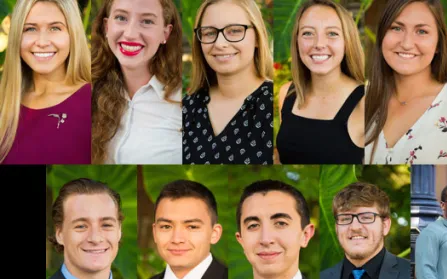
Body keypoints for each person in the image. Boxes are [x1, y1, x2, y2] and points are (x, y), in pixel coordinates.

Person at [365, 0, 447, 165]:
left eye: (421, 31)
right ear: (382, 36)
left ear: (438, 44)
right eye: (396, 28)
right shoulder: (359, 98)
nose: (406, 43)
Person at [91, 0, 182, 164]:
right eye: (121, 17)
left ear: (165, 33)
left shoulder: (186, 100)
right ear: (106, 27)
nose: (130, 33)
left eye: (147, 21)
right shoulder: (84, 92)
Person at [0, 0, 91, 164]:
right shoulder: (4, 103)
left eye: (55, 28)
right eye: (30, 29)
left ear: (73, 34)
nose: (42, 42)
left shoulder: (96, 101)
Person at [183, 0, 274, 165]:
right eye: (209, 33)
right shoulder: (186, 107)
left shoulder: (275, 103)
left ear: (257, 38)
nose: (220, 44)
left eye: (234, 31)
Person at [276, 0, 365, 164]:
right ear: (296, 41)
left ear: (347, 41)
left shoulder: (366, 102)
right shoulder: (287, 93)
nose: (319, 44)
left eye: (332, 33)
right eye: (308, 33)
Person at [46, 178, 136, 279]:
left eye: (106, 225)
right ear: (60, 234)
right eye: (81, 226)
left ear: (119, 231)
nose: (95, 238)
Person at [137, 180, 228, 279]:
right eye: (166, 226)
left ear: (214, 233)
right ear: (155, 232)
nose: (177, 239)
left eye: (192, 227)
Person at [229, 180, 319, 279]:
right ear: (241, 240)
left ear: (305, 235)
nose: (266, 239)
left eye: (281, 223)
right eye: (253, 226)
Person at [320, 182, 409, 279]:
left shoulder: (413, 276)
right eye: (345, 218)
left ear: (385, 226)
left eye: (367, 217)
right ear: (336, 227)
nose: (355, 227)